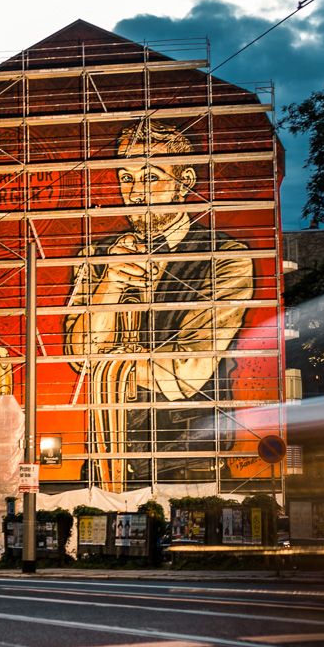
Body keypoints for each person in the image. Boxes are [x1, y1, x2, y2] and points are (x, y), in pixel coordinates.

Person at [63, 120, 253, 490]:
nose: (135, 193)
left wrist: (112, 363)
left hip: (189, 462)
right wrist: (110, 283)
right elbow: (79, 355)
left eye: (150, 177)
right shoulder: (97, 257)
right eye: (126, 178)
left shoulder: (227, 258)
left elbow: (188, 371)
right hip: (106, 462)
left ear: (185, 181)